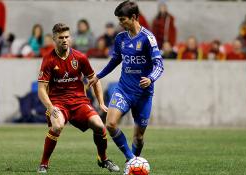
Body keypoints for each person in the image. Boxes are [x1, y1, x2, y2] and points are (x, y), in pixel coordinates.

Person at [88, 0, 164, 166]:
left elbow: (159, 65)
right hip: (123, 89)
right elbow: (115, 59)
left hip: (143, 94)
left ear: (134, 17)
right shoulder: (120, 38)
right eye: (119, 20)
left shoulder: (148, 38)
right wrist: (98, 76)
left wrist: (150, 78)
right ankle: (132, 160)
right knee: (111, 124)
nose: (120, 23)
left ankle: (133, 161)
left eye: (123, 19)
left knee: (139, 137)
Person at [37, 23, 119, 173]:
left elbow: (94, 80)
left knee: (100, 126)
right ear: (54, 39)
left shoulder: (80, 57)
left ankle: (103, 159)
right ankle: (43, 164)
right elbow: (41, 89)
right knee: (57, 126)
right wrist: (50, 106)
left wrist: (101, 102)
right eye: (60, 37)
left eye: (67, 37)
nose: (64, 40)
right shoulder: (48, 60)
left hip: (79, 102)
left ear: (71, 37)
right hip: (58, 103)